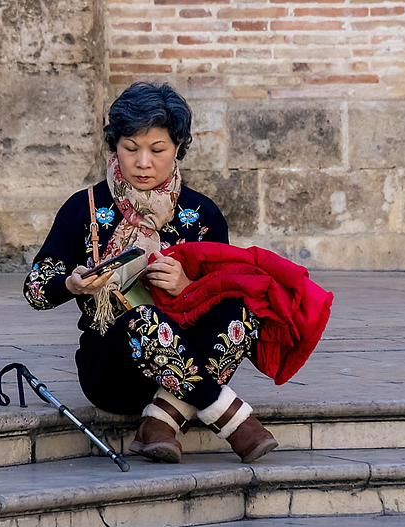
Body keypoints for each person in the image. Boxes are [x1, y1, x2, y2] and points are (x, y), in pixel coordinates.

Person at [23, 81, 278, 464]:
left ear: (178, 148)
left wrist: (188, 285)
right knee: (142, 318)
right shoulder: (85, 208)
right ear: (116, 146)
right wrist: (72, 284)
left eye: (157, 150)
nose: (143, 162)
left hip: (189, 360)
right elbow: (36, 289)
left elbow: (225, 293)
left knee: (245, 313)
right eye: (131, 149)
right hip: (115, 369)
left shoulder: (202, 215)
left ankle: (160, 422)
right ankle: (236, 422)